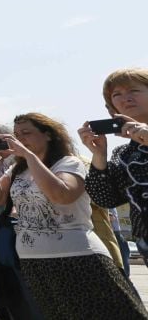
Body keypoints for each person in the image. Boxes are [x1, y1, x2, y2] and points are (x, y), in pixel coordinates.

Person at [0, 112, 146, 320]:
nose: (19, 139)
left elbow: (61, 195)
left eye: (26, 133)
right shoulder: (17, 169)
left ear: (48, 135)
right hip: (33, 260)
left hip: (77, 256)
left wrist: (29, 156)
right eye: (16, 135)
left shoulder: (69, 163)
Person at [82, 69, 148, 254]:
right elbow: (105, 199)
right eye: (116, 94)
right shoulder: (123, 154)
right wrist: (99, 155)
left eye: (133, 91)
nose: (125, 98)